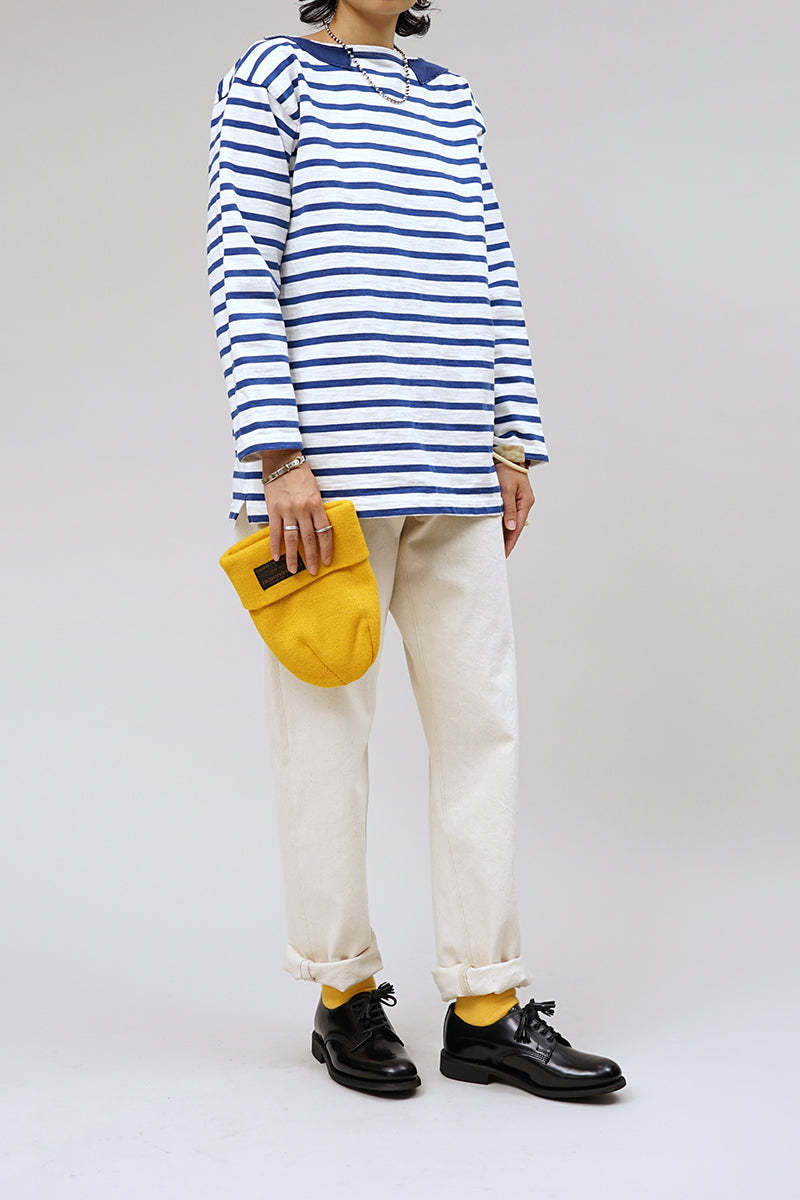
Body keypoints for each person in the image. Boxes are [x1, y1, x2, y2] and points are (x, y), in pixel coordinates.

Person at [206, 0, 625, 1099]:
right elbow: (240, 263)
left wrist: (511, 437)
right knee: (323, 740)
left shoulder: (450, 98)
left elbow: (491, 268)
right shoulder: (272, 76)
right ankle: (343, 992)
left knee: (483, 728)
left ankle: (484, 1005)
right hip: (322, 494)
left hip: (453, 469)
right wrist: (277, 455)